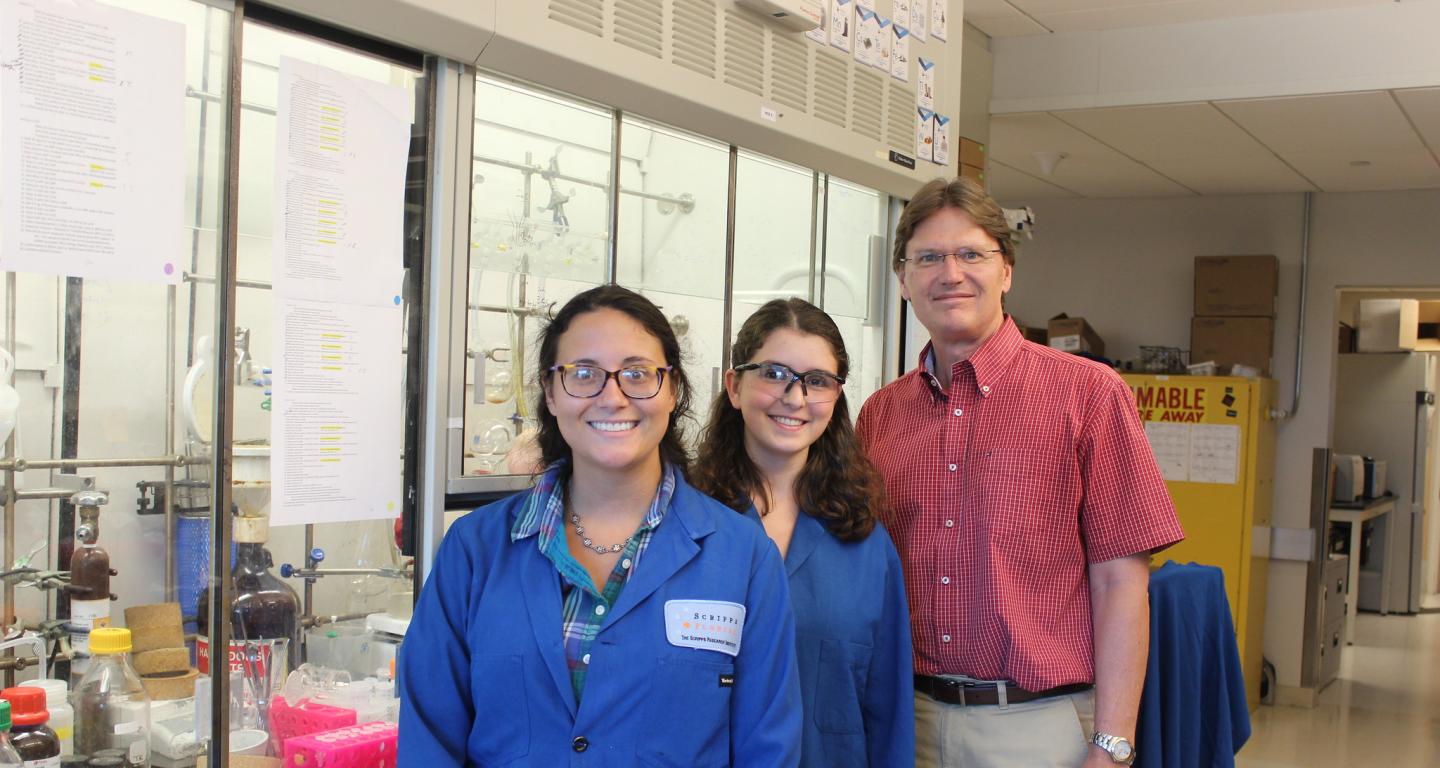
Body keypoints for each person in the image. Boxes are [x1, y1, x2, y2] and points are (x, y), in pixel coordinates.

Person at [399, 285, 802, 767]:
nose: (612, 397)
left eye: (637, 373)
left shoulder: (743, 556)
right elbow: (429, 741)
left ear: (672, 390)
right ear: (550, 394)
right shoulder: (474, 550)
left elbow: (768, 750)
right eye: (583, 373)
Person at [856, 177, 1184, 768]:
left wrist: (1112, 745)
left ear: (1006, 270)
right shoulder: (881, 414)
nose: (949, 273)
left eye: (971, 254)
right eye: (927, 257)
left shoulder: (1088, 393)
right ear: (903, 281)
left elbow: (1121, 582)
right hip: (906, 722)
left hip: (1039, 727)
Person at [693, 298, 914, 768]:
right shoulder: (684, 524)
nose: (794, 397)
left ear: (835, 400)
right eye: (773, 373)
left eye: (816, 381)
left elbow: (888, 705)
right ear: (734, 386)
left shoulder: (865, 541)